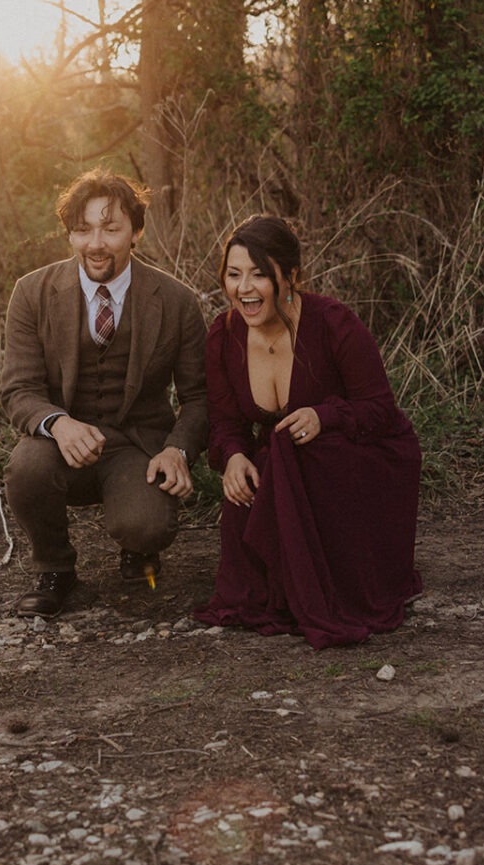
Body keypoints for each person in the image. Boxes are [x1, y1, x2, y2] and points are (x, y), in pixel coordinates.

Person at [193, 215, 422, 648]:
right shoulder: (223, 337)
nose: (244, 288)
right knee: (262, 466)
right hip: (290, 465)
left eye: (260, 274)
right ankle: (286, 585)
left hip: (360, 459)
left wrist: (325, 416)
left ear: (291, 276)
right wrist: (233, 456)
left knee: (303, 450)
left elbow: (380, 411)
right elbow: (226, 423)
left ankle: (340, 584)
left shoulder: (334, 323)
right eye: (234, 274)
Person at [0, 169, 208, 617]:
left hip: (137, 447)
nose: (96, 243)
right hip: (60, 446)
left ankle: (137, 546)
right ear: (70, 235)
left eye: (111, 229)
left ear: (136, 231)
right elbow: (18, 389)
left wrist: (178, 451)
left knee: (144, 526)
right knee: (26, 467)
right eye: (83, 229)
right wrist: (58, 423)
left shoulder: (176, 301)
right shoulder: (31, 293)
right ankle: (55, 569)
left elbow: (201, 397)